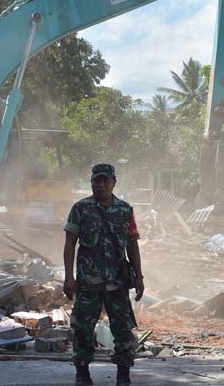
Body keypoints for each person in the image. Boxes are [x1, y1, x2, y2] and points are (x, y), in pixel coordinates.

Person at [63, 163, 145, 386]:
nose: (100, 184)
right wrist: (68, 277)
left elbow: (132, 244)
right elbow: (70, 243)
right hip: (88, 282)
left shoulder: (125, 210)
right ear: (91, 182)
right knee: (82, 331)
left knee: (124, 331)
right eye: (96, 180)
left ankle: (123, 375)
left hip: (117, 282)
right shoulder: (81, 209)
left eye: (105, 180)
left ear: (113, 182)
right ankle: (82, 374)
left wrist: (139, 276)